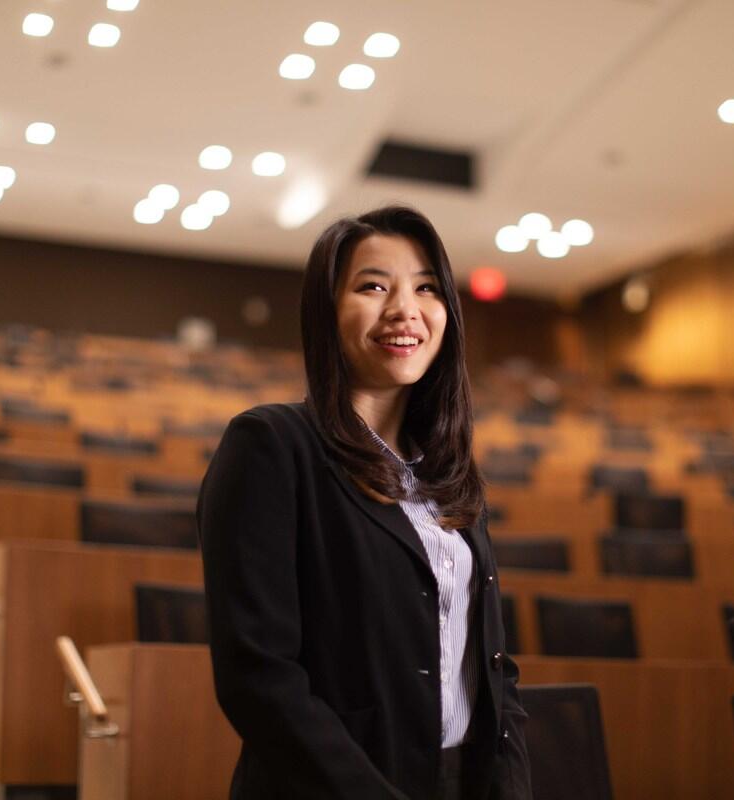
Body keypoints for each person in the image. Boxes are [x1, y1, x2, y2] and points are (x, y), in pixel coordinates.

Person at [197, 205, 531, 799]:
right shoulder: (272, 447)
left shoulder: (448, 473)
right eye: (374, 285)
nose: (405, 309)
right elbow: (260, 677)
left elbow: (493, 671)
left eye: (426, 288)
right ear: (326, 312)